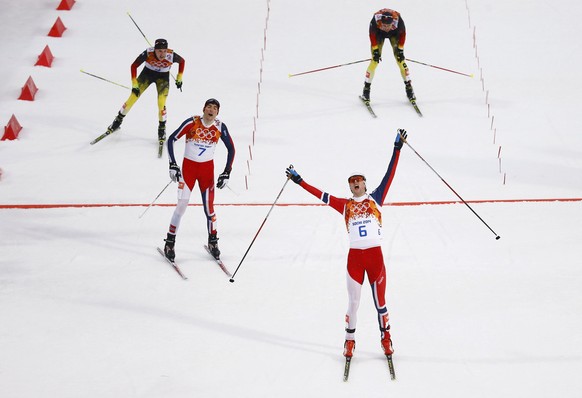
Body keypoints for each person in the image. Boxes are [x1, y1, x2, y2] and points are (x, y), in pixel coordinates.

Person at [285, 129, 408, 359]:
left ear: (364, 183)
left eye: (359, 181)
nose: (355, 184)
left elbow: (390, 173)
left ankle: (386, 338)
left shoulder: (376, 198)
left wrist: (397, 148)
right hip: (355, 258)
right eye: (352, 182)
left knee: (380, 302)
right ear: (349, 187)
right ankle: (349, 340)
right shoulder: (345, 205)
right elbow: (321, 195)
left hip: (374, 257)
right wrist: (299, 181)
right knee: (353, 302)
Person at [163, 98, 235, 261]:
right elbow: (171, 139)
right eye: (209, 107)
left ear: (217, 113)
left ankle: (213, 241)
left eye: (215, 108)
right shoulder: (192, 122)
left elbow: (231, 148)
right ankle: (170, 242)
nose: (211, 110)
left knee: (209, 210)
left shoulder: (220, 126)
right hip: (189, 170)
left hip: (206, 172)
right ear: (203, 109)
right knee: (181, 206)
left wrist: (227, 172)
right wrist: (172, 164)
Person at [105, 38, 185, 144]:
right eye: (159, 51)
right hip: (146, 75)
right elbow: (133, 66)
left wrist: (179, 78)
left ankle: (162, 128)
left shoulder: (171, 55)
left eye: (164, 51)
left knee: (161, 103)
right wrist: (134, 84)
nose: (162, 54)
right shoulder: (148, 53)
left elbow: (182, 61)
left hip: (163, 78)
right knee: (132, 98)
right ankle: (117, 121)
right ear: (155, 50)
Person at [361, 9, 415, 104]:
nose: (386, 27)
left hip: (394, 34)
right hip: (379, 34)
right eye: (384, 25)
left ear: (392, 22)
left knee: (400, 60)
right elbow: (372, 35)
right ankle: (366, 89)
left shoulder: (399, 22)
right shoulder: (376, 21)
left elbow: (403, 35)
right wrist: (376, 50)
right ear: (381, 22)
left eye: (388, 25)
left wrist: (401, 50)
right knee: (374, 60)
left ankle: (409, 88)